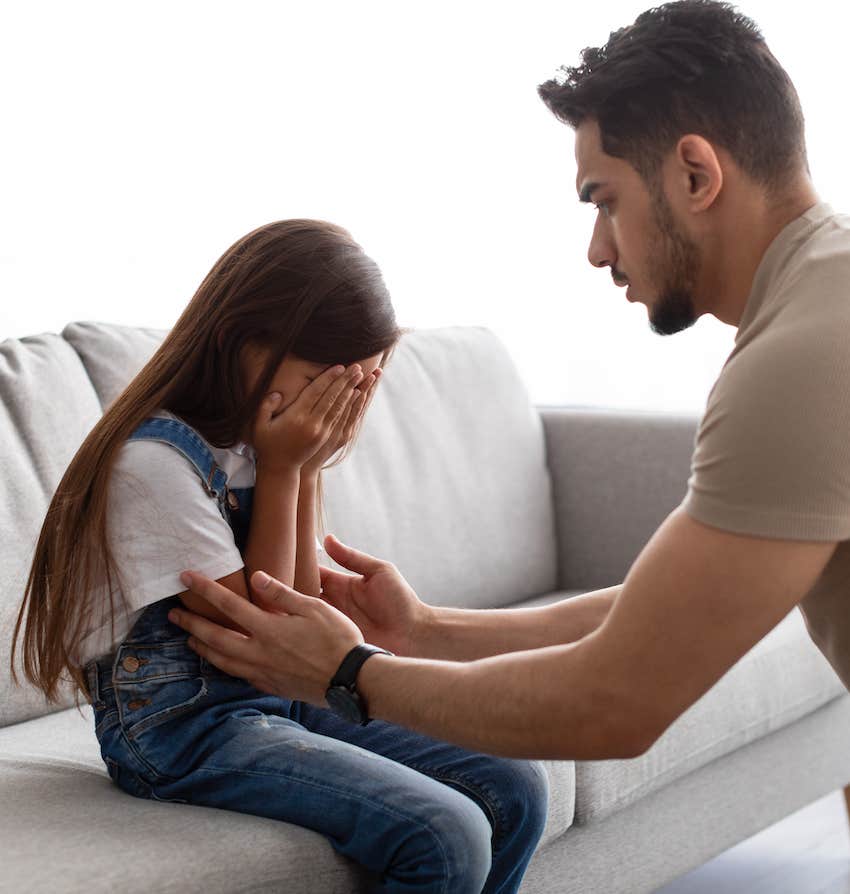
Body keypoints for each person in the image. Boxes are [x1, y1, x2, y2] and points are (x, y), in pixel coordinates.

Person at [166, 0, 850, 762]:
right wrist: (424, 632)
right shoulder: (824, 306)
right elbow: (674, 611)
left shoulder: (801, 360)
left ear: (695, 173)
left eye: (605, 201)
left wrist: (346, 672)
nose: (597, 249)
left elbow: (610, 704)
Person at [11, 220, 549, 894]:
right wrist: (288, 466)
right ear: (247, 343)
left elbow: (299, 632)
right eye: (327, 380)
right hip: (180, 731)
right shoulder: (155, 465)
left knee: (515, 786)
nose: (339, 404)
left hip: (278, 697)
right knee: (444, 832)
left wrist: (304, 465)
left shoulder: (250, 449)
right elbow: (260, 644)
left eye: (360, 387)